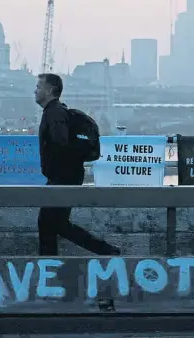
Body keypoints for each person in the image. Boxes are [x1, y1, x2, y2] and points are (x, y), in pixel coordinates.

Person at [34, 72, 121, 256]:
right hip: (66, 176)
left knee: (47, 222)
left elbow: (61, 143)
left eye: (39, 87)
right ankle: (104, 251)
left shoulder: (54, 113)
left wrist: (57, 174)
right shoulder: (56, 111)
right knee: (56, 224)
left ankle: (50, 266)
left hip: (62, 178)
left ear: (49, 90)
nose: (35, 91)